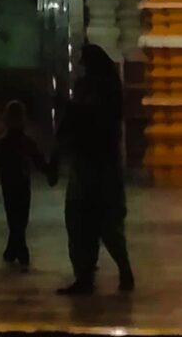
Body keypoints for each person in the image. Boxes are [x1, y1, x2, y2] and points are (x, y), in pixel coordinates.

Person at [56, 43, 134, 294]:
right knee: (101, 224)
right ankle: (108, 273)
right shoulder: (109, 87)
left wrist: (70, 110)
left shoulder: (96, 88)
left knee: (90, 223)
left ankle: (91, 275)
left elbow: (85, 119)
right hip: (99, 165)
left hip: (93, 166)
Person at [0, 98, 52, 269]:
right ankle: (20, 251)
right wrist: (50, 173)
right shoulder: (25, 142)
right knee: (20, 219)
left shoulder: (4, 143)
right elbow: (39, 162)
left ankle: (13, 250)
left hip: (10, 185)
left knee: (15, 219)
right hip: (21, 185)